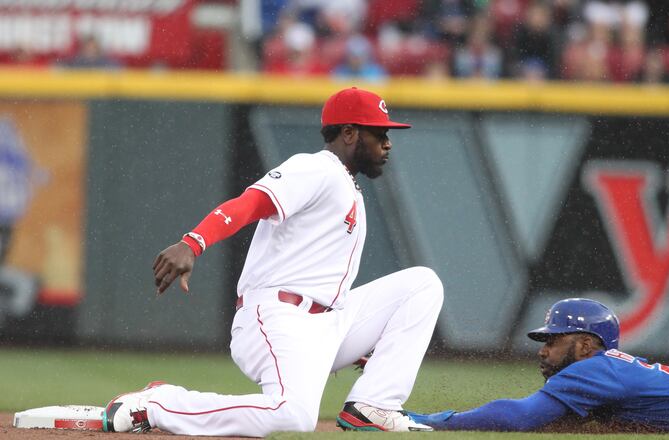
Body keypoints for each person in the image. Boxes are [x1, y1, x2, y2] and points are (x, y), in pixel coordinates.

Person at [102, 87, 444, 436]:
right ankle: (161, 403)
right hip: (278, 316)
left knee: (422, 285)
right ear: (349, 133)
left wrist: (367, 343)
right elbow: (250, 203)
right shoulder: (315, 169)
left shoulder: (345, 184)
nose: (387, 143)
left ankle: (373, 404)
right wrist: (193, 242)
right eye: (379, 133)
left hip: (327, 322)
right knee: (294, 415)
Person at [408, 298, 669, 434]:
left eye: (555, 340)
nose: (544, 351)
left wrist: (430, 420)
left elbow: (521, 416)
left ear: (587, 344)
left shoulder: (592, 370)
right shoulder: (607, 369)